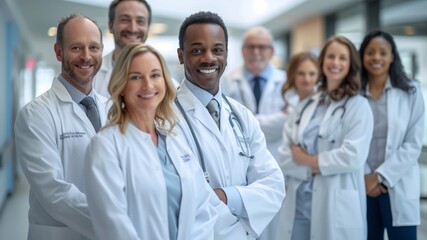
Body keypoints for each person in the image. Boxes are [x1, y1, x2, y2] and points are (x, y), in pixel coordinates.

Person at [84, 43, 217, 240]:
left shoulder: (174, 139)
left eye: (155, 75)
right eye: (136, 77)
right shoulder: (105, 146)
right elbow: (113, 225)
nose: (148, 86)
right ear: (121, 86)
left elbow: (203, 208)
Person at [174, 11, 285, 240]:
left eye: (217, 50)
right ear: (181, 55)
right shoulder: (166, 117)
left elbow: (274, 185)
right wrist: (243, 207)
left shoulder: (242, 116)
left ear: (226, 53)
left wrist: (226, 196)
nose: (209, 58)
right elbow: (185, 197)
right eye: (196, 50)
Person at [14, 14, 107, 240]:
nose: (86, 56)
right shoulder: (35, 114)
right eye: (76, 47)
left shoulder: (113, 108)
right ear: (58, 52)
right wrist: (114, 221)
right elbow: (54, 192)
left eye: (93, 47)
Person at [278, 35, 374, 240]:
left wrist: (308, 160)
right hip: (299, 206)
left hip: (334, 206)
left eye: (342, 58)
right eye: (331, 56)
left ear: (351, 65)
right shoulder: (307, 104)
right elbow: (285, 154)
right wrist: (313, 168)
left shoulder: (358, 106)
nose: (335, 63)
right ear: (322, 61)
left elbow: (353, 156)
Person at [359, 30, 425, 240]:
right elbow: (348, 139)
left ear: (392, 56)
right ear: (362, 56)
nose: (376, 57)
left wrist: (379, 176)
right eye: (370, 52)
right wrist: (366, 176)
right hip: (361, 183)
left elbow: (413, 144)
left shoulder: (411, 91)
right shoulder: (354, 93)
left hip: (397, 182)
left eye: (382, 52)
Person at [263, 51, 320, 240]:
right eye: (301, 73)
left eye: (312, 74)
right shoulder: (293, 109)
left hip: (319, 191)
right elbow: (285, 157)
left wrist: (307, 160)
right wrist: (307, 163)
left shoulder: (324, 109)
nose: (306, 79)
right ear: (293, 76)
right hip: (295, 189)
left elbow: (322, 157)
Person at [222, 26, 298, 162]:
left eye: (262, 47)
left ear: (272, 51)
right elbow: (224, 123)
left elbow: (290, 121)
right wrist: (277, 118)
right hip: (238, 158)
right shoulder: (225, 81)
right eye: (250, 47)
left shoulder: (287, 82)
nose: (255, 52)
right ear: (243, 50)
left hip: (277, 158)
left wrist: (243, 122)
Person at [93, 0, 152, 97]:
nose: (133, 28)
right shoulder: (92, 77)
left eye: (140, 21)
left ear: (148, 28)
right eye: (125, 20)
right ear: (110, 26)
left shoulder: (169, 86)